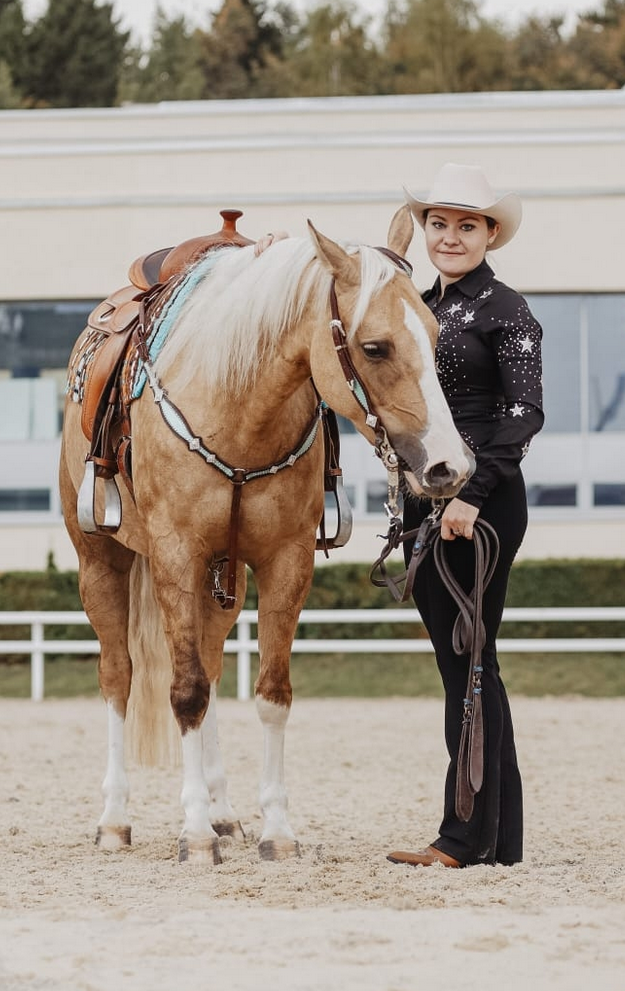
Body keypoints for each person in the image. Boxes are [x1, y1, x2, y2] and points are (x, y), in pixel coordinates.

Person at [386, 162, 544, 869]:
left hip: (480, 506)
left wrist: (473, 496)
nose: (450, 236)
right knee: (469, 665)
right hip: (427, 503)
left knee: (469, 663)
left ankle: (463, 837)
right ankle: (492, 837)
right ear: (424, 231)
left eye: (466, 225)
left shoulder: (504, 309)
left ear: (489, 233)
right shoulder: (417, 307)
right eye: (438, 223)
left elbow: (522, 412)